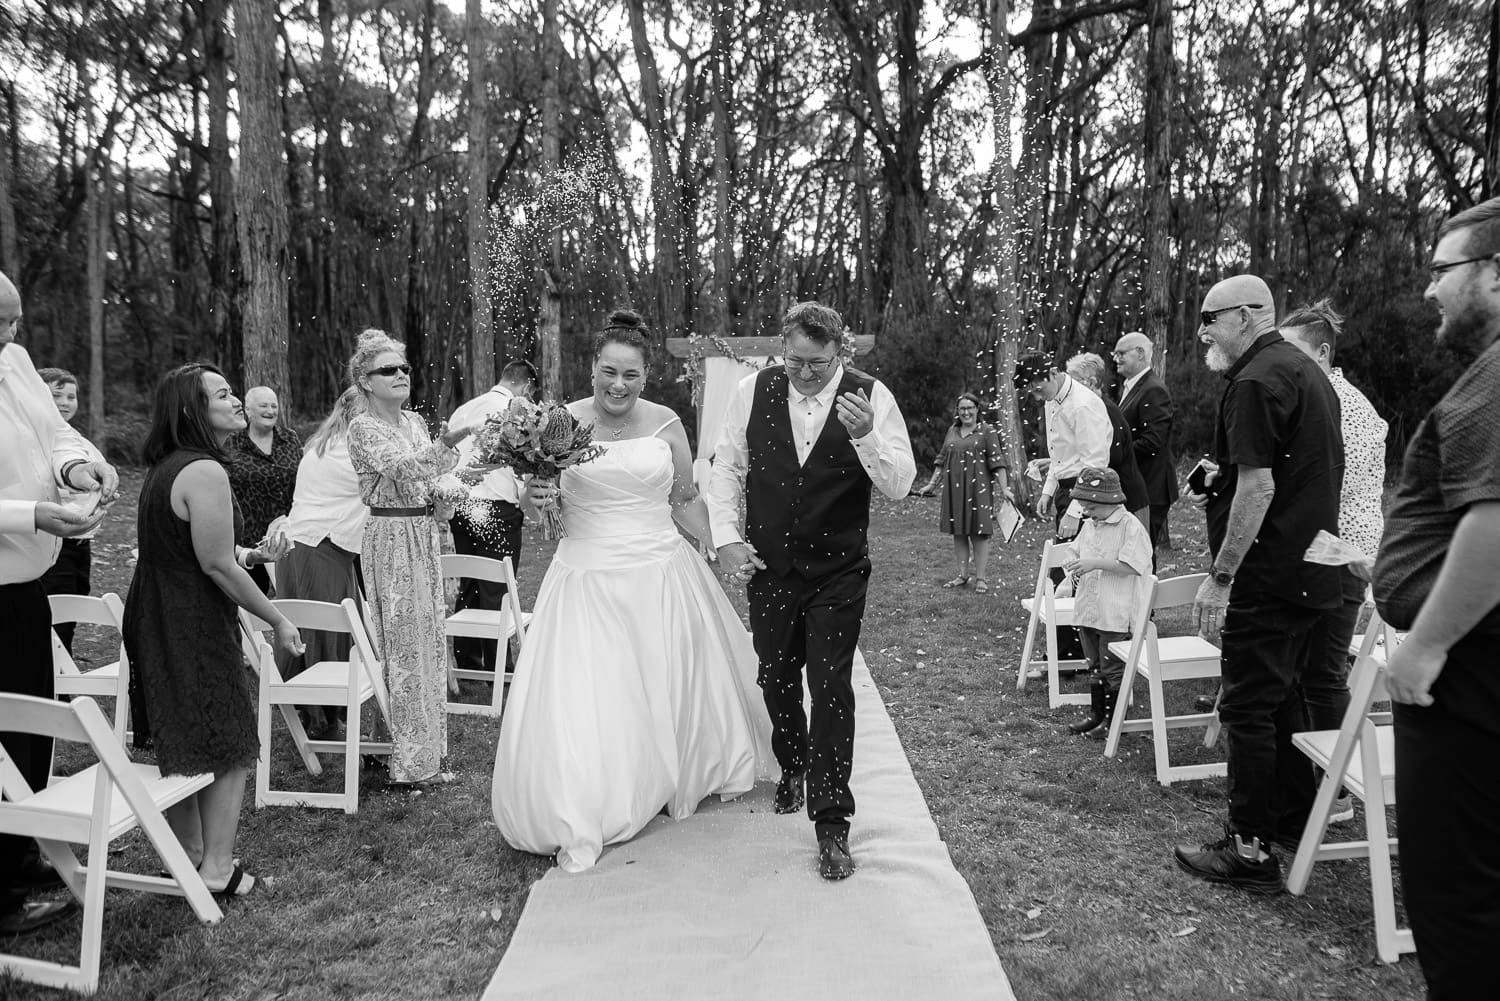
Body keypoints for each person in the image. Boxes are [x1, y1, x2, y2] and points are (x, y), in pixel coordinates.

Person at [492, 309, 772, 872]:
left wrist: (722, 544)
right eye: (608, 372)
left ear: (647, 376)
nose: (618, 385)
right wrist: (536, 500)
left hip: (661, 571)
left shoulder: (668, 423)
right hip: (588, 576)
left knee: (668, 678)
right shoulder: (555, 424)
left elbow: (685, 500)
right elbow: (533, 500)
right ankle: (604, 792)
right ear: (592, 368)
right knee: (597, 691)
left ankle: (678, 773)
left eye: (631, 375)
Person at [708, 301, 916, 881]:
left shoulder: (871, 396)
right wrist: (726, 539)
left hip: (838, 570)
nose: (804, 374)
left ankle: (832, 824)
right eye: (795, 361)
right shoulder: (753, 390)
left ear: (839, 355)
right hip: (770, 565)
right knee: (774, 675)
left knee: (830, 688)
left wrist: (867, 438)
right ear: (783, 347)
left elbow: (901, 485)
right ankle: (793, 763)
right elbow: (726, 467)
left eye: (818, 365)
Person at [1171, 274, 1343, 894]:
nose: (1203, 331)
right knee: (1287, 699)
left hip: (1269, 575)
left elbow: (1261, 487)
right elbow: (1286, 471)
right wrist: (1216, 484)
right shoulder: (1304, 369)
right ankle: (1292, 818)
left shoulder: (1253, 379)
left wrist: (1221, 576)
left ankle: (1249, 848)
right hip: (1311, 569)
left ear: (1247, 315)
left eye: (1211, 318)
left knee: (1246, 704)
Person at [1373, 196, 1500, 1000]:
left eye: (1443, 269)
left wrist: (1426, 645)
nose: (1429, 291)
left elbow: (1493, 524)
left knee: (1460, 902)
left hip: (1465, 675)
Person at [123, 362, 303, 899]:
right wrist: (276, 617)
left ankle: (193, 858)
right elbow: (216, 567)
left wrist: (251, 553)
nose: (236, 401)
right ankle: (219, 871)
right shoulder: (206, 471)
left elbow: (203, 548)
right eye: (222, 394)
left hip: (154, 611)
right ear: (193, 411)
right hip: (189, 620)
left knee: (180, 737)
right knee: (226, 743)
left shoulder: (166, 467)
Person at [0, 269, 116, 935]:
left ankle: (20, 849)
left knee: (29, 724)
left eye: (14, 321)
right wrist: (33, 513)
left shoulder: (15, 361)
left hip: (24, 591)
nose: (11, 336)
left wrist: (76, 469)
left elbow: (56, 434)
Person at [346, 330, 477, 787]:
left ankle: (423, 754)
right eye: (388, 370)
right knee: (400, 642)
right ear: (365, 381)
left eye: (404, 368)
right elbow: (403, 469)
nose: (401, 375)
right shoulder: (363, 427)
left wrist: (444, 499)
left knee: (427, 637)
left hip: (423, 533)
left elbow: (424, 476)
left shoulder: (415, 422)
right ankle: (405, 761)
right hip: (391, 536)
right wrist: (448, 447)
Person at [1282, 299, 1387, 823]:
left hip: (1341, 556)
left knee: (1322, 674)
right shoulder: (1319, 394)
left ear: (1322, 352)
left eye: (1293, 350)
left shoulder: (1346, 405)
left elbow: (1323, 484)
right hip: (1324, 551)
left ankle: (1339, 788)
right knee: (1306, 671)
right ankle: (1309, 777)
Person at [274, 387, 369, 738]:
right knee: (327, 629)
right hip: (320, 549)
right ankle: (322, 715)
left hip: (302, 546)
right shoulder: (350, 449)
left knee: (309, 626)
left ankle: (309, 709)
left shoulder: (323, 441)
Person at [445, 359, 535, 674]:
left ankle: (468, 658)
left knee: (469, 581)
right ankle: (499, 669)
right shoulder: (515, 411)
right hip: (496, 507)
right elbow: (523, 463)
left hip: (461, 505)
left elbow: (449, 454)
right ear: (526, 386)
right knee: (496, 587)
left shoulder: (465, 409)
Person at [1057, 468, 1153, 735]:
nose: (1088, 513)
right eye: (1085, 507)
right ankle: (1096, 715)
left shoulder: (1130, 527)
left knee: (1112, 667)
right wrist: (1071, 560)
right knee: (1094, 664)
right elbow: (1074, 550)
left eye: (1092, 508)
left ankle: (1113, 721)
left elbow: (1133, 565)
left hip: (1115, 610)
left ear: (1111, 502)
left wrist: (1094, 563)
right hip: (1090, 608)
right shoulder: (1091, 525)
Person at [36, 366, 108, 653]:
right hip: (53, 543)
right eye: (57, 395)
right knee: (54, 621)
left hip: (82, 544)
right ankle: (51, 688)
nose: (66, 403)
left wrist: (103, 494)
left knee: (73, 614)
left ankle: (61, 680)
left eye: (72, 396)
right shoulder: (36, 439)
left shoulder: (77, 439)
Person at [916, 392, 1011, 593]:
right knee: (958, 532)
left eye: (970, 408)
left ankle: (981, 578)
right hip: (954, 489)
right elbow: (941, 460)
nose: (966, 412)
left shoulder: (987, 431)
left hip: (979, 490)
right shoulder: (952, 430)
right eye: (962, 408)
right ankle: (962, 575)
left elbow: (997, 461)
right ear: (957, 412)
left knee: (979, 533)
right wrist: (931, 485)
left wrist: (1005, 490)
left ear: (977, 409)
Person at [223, 385, 300, 595]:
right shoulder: (231, 444)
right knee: (251, 603)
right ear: (248, 410)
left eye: (274, 405)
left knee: (292, 599)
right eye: (263, 405)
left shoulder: (290, 438)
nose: (271, 410)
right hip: (250, 537)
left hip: (289, 537)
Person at [1064, 352, 1150, 527]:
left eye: (1073, 382)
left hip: (1128, 499)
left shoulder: (1105, 410)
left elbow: (1110, 457)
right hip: (1111, 499)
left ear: (1091, 382)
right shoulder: (1091, 408)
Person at [1112, 331, 1178, 551]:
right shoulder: (1133, 386)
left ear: (1140, 353)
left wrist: (1113, 456)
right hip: (1137, 485)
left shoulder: (1153, 390)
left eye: (1121, 353)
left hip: (1151, 487)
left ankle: (1149, 588)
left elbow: (1152, 442)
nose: (1116, 359)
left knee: (1141, 555)